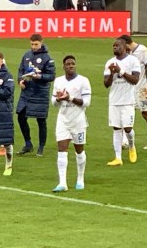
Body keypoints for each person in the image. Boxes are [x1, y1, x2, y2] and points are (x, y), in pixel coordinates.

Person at [51, 55, 92, 192]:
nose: (71, 66)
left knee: (79, 150)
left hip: (78, 121)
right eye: (68, 64)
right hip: (63, 120)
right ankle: (62, 182)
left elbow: (86, 103)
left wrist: (70, 98)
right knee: (62, 149)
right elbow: (54, 103)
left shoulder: (83, 81)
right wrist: (58, 99)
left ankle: (80, 178)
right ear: (63, 66)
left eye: (73, 64)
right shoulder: (58, 81)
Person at [103, 38, 142, 166]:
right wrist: (112, 74)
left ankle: (131, 146)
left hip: (128, 100)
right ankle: (118, 157)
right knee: (116, 128)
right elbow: (106, 84)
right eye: (113, 46)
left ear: (124, 47)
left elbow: (135, 80)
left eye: (117, 46)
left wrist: (121, 71)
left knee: (128, 128)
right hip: (114, 100)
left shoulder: (133, 61)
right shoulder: (110, 62)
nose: (115, 48)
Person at [16, 34, 56, 156]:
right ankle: (28, 144)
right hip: (27, 92)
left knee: (41, 120)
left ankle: (41, 146)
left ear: (41, 43)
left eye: (36, 44)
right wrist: (20, 81)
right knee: (21, 117)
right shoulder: (26, 55)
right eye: (32, 44)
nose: (34, 47)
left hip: (40, 92)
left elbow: (51, 76)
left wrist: (39, 76)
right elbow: (21, 70)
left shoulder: (47, 58)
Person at [119, 35, 147, 149]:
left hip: (142, 89)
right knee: (125, 113)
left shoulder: (142, 51)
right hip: (128, 89)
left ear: (126, 44)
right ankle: (125, 140)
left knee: (145, 113)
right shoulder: (125, 53)